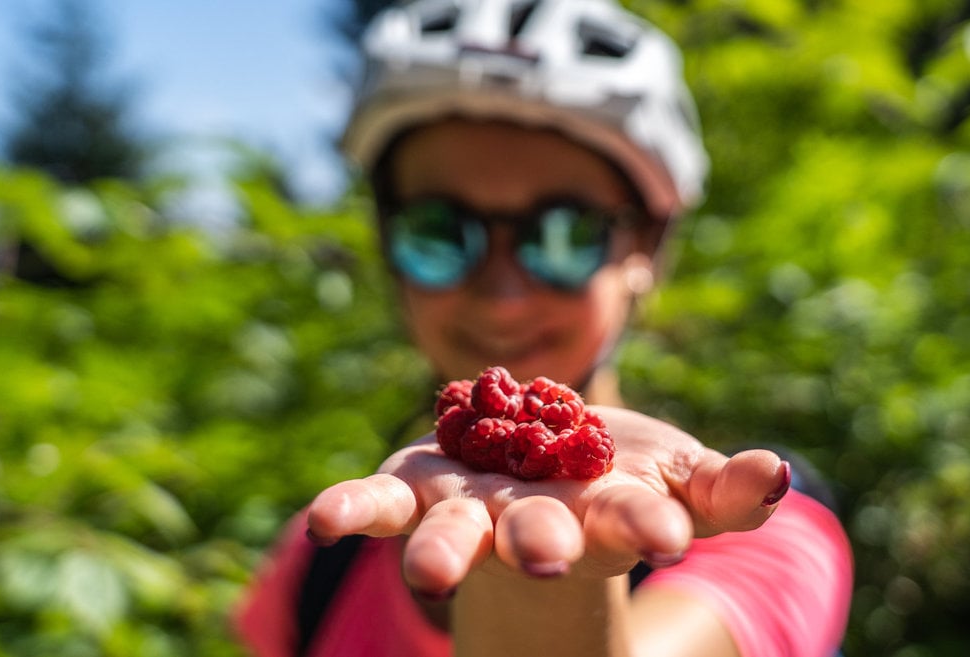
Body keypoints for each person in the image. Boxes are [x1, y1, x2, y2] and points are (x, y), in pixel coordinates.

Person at [235, 0, 853, 655]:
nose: (502, 296)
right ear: (387, 241)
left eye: (564, 236)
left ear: (646, 246)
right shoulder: (313, 565)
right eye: (440, 233)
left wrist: (549, 580)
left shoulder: (765, 531)